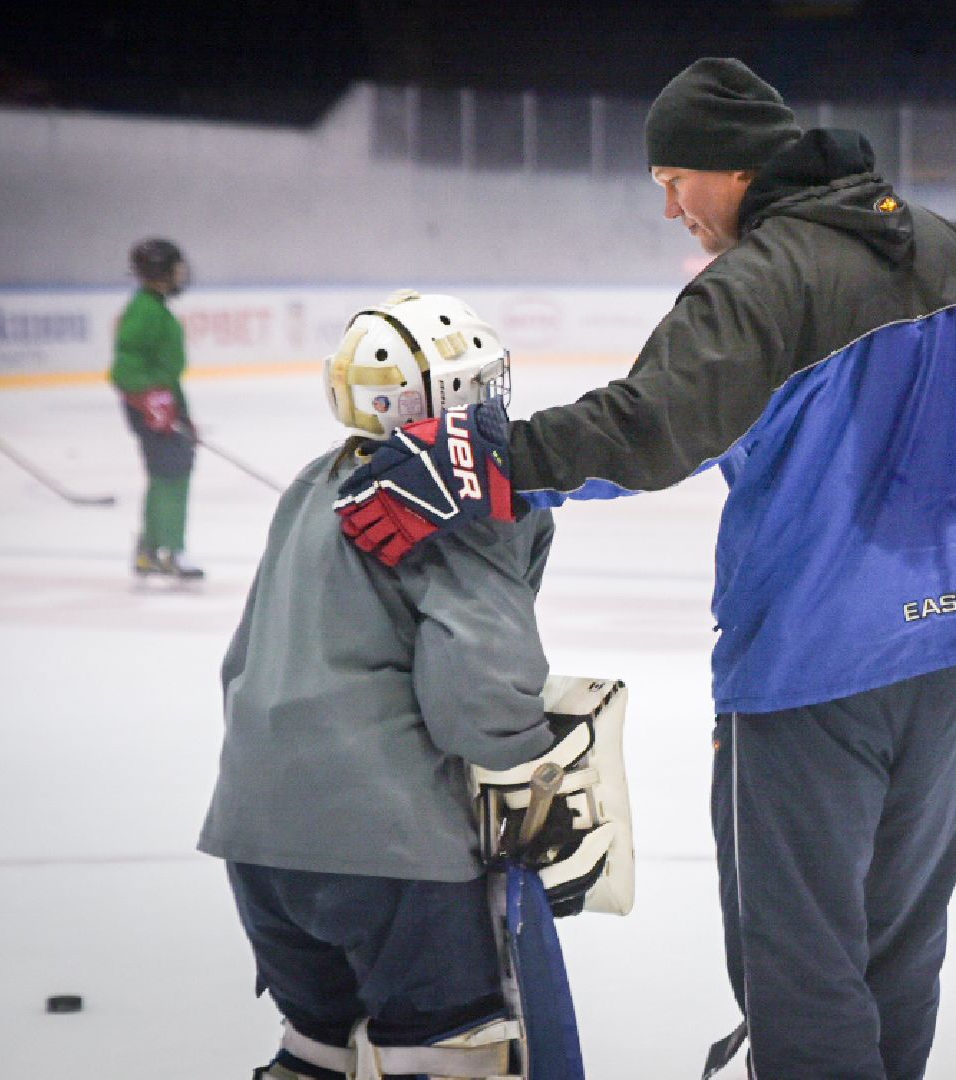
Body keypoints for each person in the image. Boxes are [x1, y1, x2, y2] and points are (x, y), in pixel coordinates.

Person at [332, 58, 956, 1079]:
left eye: (675, 179)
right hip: (943, 660)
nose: (671, 208)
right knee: (898, 950)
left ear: (732, 168)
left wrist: (470, 464)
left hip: (814, 671)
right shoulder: (952, 255)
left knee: (800, 967)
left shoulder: (763, 281)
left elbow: (643, 433)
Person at [198, 292, 569, 1080]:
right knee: (439, 1054)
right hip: (387, 847)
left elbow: (244, 661)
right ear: (444, 397)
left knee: (316, 1047)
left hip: (257, 835)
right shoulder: (447, 501)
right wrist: (536, 765)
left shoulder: (314, 481)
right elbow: (477, 692)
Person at [110, 237, 202, 581]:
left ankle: (151, 550)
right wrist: (150, 399)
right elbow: (125, 366)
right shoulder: (145, 311)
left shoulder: (152, 307)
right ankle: (170, 550)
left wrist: (180, 411)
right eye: (176, 267)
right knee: (171, 474)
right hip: (152, 408)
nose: (182, 274)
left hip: (162, 405)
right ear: (161, 271)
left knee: (167, 472)